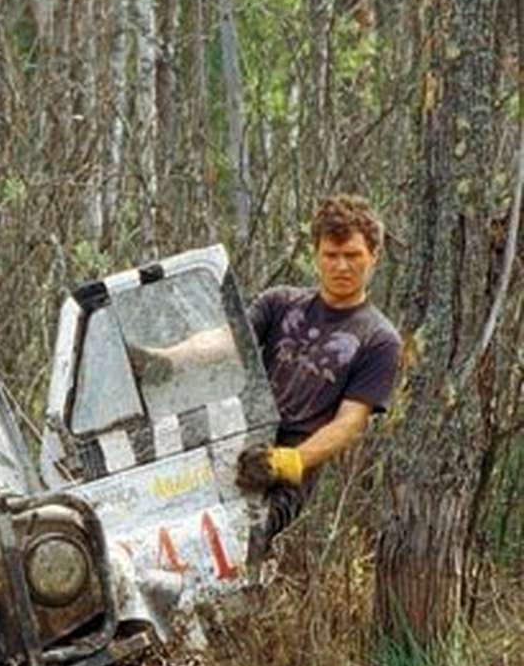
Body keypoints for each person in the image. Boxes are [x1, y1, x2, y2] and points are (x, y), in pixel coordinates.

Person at [132, 195, 401, 541]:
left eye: (352, 255)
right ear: (316, 255)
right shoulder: (282, 302)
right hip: (237, 437)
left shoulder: (379, 339)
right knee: (161, 531)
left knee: (237, 544)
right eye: (331, 256)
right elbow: (225, 340)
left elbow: (349, 423)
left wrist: (287, 462)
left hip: (291, 468)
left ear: (373, 256)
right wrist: (164, 358)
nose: (341, 266)